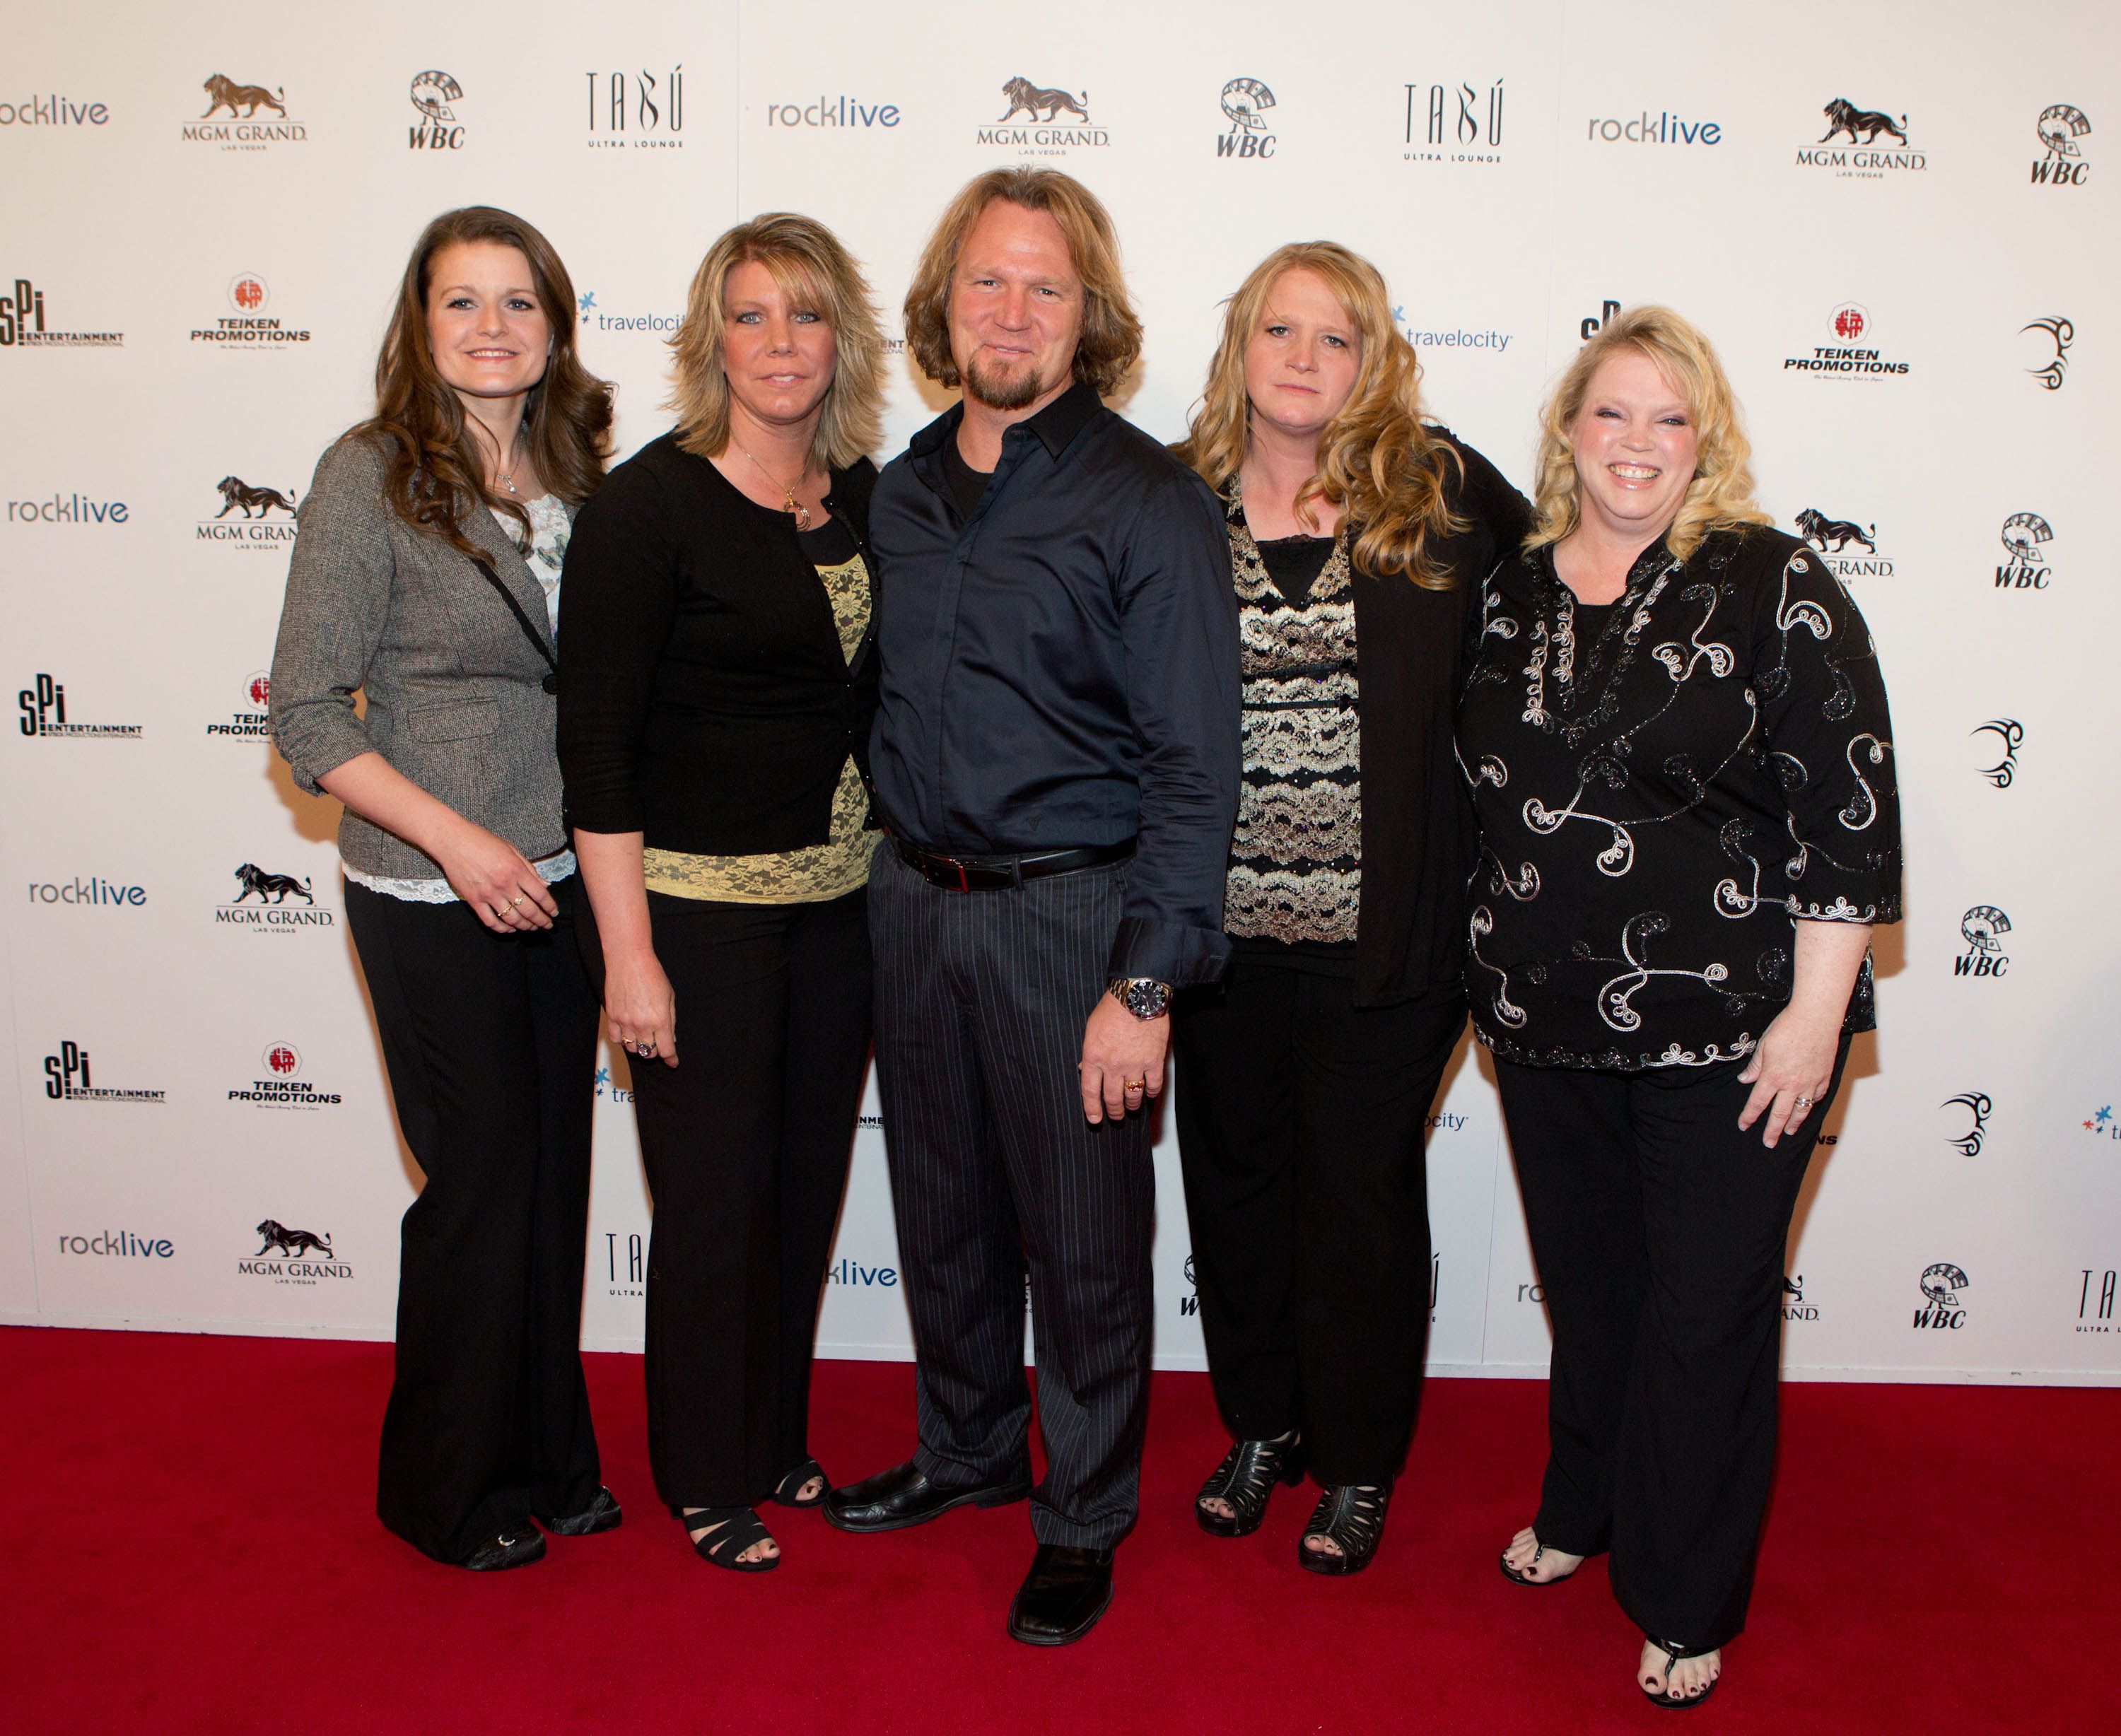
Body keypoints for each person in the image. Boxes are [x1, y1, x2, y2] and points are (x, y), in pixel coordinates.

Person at [1457, 306, 1900, 1707]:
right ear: (1568, 431)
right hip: (1539, 1019)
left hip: (1737, 1034)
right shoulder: (1513, 589)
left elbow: (1847, 804)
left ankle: (1687, 1591)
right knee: (1593, 1300)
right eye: (1610, 413)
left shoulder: (1776, 583)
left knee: (1703, 1318)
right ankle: (1583, 1506)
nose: (1637, 442)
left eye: (1669, 417)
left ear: (1705, 438)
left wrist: (1817, 1015)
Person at [822, 167, 1240, 1646]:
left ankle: (1082, 1514)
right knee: (939, 1213)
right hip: (912, 902)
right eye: (987, 283)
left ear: (1089, 317)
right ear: (944, 305)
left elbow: (1201, 766)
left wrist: (1147, 984)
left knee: (1081, 1238)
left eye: (1044, 288)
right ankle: (970, 1449)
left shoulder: (1148, 499)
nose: (1012, 311)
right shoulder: (901, 486)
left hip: (1075, 918)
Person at [1168, 242, 1530, 1574]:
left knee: (1360, 1199)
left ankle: (1360, 1460)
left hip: (1392, 945)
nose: (1305, 356)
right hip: (1215, 941)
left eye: (1336, 335)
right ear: (1240, 350)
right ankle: (1264, 1426)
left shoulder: (1436, 493)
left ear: (1373, 358)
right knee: (1238, 1186)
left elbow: (1573, 577)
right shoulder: (1179, 503)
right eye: (1280, 329)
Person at [268, 206, 618, 1571]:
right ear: (420, 327)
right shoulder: (369, 475)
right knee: (479, 1180)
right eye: (461, 302)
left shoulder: (583, 468)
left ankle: (546, 1459)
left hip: (568, 879)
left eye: (518, 302)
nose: (491, 327)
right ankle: (445, 1489)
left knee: (550, 1176)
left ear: (556, 323)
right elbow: (305, 710)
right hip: (433, 887)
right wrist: (458, 844)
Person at [556, 214, 887, 1573]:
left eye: (803, 316)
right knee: (709, 1199)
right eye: (749, 318)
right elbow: (598, 749)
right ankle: (701, 1472)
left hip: (844, 904)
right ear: (710, 342)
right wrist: (628, 959)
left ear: (839, 340)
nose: (778, 345)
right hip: (690, 913)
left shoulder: (860, 495)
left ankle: (771, 1436)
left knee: (803, 1187)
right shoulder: (646, 510)